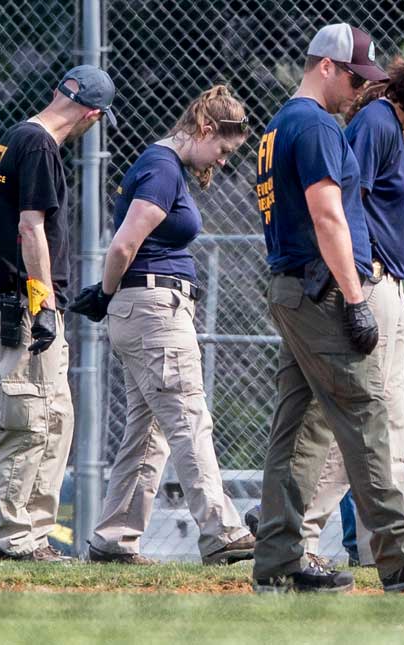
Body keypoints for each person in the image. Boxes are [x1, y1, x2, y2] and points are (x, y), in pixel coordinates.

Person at [251, 23, 404, 593]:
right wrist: (355, 297)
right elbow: (329, 216)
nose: (359, 89)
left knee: (297, 428)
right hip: (323, 288)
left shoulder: (280, 124)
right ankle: (399, 555)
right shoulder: (317, 124)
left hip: (292, 284)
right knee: (369, 412)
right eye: (354, 76)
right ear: (326, 66)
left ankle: (280, 561)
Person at [69, 86, 255, 566]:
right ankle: (222, 530)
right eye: (223, 149)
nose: (224, 160)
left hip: (146, 307)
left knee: (147, 429)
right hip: (154, 309)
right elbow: (122, 246)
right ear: (206, 129)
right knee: (189, 417)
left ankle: (113, 538)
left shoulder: (166, 167)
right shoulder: (162, 168)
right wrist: (106, 294)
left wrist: (110, 297)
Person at [0, 65, 116, 561]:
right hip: (30, 308)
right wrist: (40, 302)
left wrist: (3, 271)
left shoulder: (17, 138)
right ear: (92, 114)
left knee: (56, 420)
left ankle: (33, 534)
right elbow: (31, 226)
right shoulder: (38, 145)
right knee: (27, 419)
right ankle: (10, 537)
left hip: (20, 299)